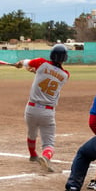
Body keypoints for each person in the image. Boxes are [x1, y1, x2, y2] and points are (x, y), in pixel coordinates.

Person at [14, 44, 70, 172]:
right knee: (48, 143)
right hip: (47, 112)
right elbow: (51, 75)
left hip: (31, 109)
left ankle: (33, 155)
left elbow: (25, 62)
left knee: (31, 133)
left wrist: (19, 64)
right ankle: (45, 157)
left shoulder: (41, 63)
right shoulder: (66, 75)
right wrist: (36, 71)